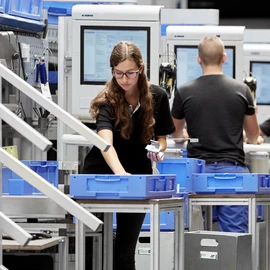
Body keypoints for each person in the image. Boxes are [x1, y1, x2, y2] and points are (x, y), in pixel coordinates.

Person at [81, 41, 175, 270]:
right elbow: (105, 144)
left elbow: (161, 137)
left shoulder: (158, 96)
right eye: (119, 73)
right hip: (102, 173)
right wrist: (120, 173)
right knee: (95, 249)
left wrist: (158, 151)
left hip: (138, 175)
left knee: (125, 252)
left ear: (141, 69)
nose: (124, 79)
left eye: (130, 73)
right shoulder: (108, 100)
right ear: (112, 71)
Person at [171, 36, 263, 233]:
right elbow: (254, 135)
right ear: (224, 58)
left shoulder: (184, 91)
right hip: (233, 174)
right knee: (235, 237)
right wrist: (247, 137)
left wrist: (187, 133)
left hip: (196, 173)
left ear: (198, 59)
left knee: (191, 234)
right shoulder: (242, 90)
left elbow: (177, 135)